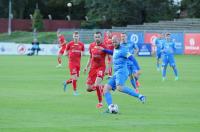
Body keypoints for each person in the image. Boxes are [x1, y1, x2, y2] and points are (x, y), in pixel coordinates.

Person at [102, 36, 145, 113]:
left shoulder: (124, 50)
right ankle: (110, 108)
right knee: (106, 88)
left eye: (115, 42)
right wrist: (104, 50)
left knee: (120, 88)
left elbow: (132, 58)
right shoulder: (115, 48)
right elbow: (114, 53)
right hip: (117, 72)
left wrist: (138, 69)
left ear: (119, 41)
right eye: (113, 42)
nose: (114, 43)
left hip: (122, 71)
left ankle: (140, 96)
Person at [84, 31, 110, 108]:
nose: (97, 38)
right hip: (93, 68)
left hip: (101, 68)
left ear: (101, 37)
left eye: (98, 37)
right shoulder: (91, 45)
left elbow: (109, 58)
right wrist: (86, 67)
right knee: (88, 88)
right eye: (96, 37)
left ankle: (100, 103)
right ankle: (103, 87)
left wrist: (107, 69)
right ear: (94, 37)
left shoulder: (104, 46)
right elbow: (90, 57)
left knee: (96, 84)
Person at [63, 31, 85, 95]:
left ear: (79, 37)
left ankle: (66, 82)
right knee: (74, 77)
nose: (76, 37)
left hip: (78, 63)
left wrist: (82, 54)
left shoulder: (81, 44)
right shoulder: (70, 44)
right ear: (73, 36)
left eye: (77, 36)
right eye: (75, 36)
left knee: (75, 78)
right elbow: (65, 53)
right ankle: (75, 92)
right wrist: (68, 56)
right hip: (72, 63)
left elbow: (83, 53)